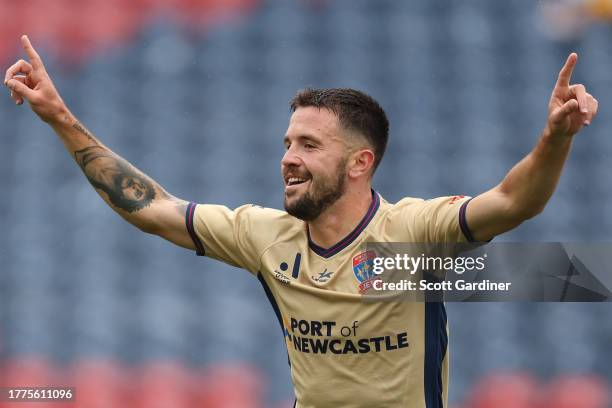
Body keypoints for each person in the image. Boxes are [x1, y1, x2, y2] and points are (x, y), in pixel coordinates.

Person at [4, 35, 599, 408]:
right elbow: (152, 209)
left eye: (309, 145)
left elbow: (515, 202)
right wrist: (60, 117)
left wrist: (553, 137)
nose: (288, 156)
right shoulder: (267, 236)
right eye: (288, 142)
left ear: (360, 163)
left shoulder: (411, 233)